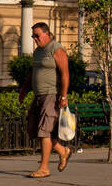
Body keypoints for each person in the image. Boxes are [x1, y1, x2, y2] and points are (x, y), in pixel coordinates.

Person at [18, 23, 72, 177]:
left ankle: (44, 168)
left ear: (47, 33)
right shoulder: (38, 52)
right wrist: (23, 90)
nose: (35, 39)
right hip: (38, 95)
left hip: (51, 95)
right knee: (35, 130)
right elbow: (32, 72)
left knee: (44, 132)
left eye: (37, 35)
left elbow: (65, 74)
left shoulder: (56, 49)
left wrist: (63, 96)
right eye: (33, 36)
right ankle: (63, 151)